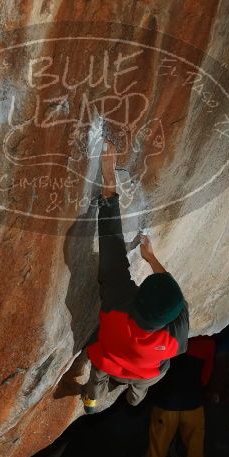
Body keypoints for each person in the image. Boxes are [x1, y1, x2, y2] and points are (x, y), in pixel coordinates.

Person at [82, 139, 189, 414]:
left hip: (110, 358)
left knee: (99, 372)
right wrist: (152, 259)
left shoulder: (118, 302)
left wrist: (109, 178)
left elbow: (111, 241)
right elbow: (178, 302)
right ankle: (131, 402)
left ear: (138, 294)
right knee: (152, 378)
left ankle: (92, 402)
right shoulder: (174, 339)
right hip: (142, 373)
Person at [139, 335, 215, 457]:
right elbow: (205, 379)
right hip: (193, 407)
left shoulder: (168, 337)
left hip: (166, 405)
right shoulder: (207, 343)